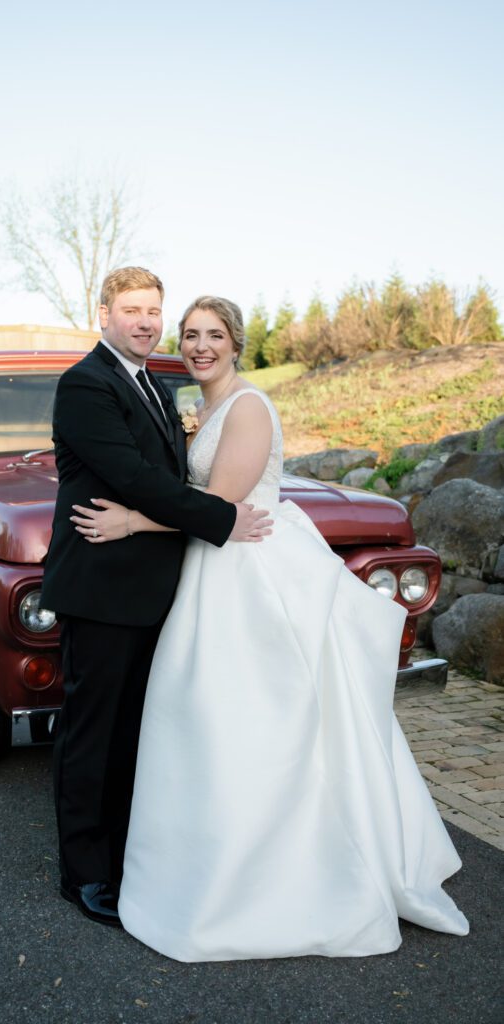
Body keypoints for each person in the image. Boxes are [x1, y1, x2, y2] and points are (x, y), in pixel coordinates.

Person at [70, 295, 470, 960]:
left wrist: (133, 522)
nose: (200, 346)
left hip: (245, 577)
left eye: (213, 335)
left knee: (254, 721)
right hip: (211, 572)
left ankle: (274, 874)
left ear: (236, 343)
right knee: (209, 724)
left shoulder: (249, 406)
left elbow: (220, 502)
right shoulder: (202, 408)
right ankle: (204, 857)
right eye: (191, 334)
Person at [40, 269, 272, 928]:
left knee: (133, 736)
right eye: (131, 310)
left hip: (156, 590)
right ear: (104, 315)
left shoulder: (153, 385)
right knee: (92, 735)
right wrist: (222, 520)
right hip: (103, 588)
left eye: (152, 312)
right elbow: (135, 476)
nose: (143, 322)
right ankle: (83, 875)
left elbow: (164, 476)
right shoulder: (87, 383)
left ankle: (122, 859)